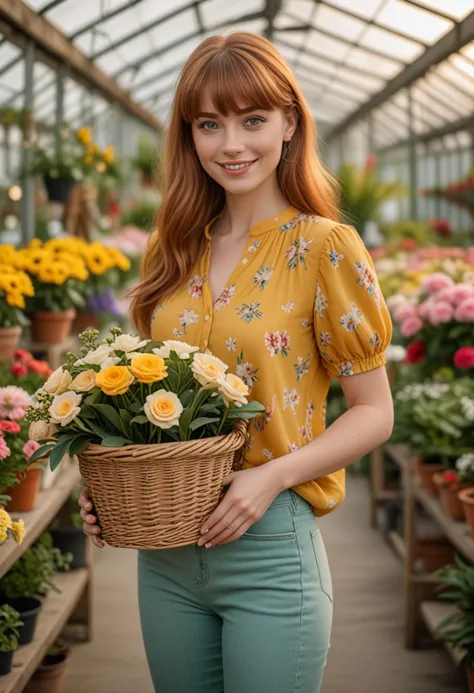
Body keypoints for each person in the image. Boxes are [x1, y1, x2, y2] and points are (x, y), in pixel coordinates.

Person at [79, 31, 393, 693]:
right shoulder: (173, 248)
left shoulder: (325, 247)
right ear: (188, 136)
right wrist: (112, 482)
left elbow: (375, 414)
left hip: (271, 546)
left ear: (289, 124)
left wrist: (272, 477)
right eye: (209, 124)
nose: (232, 145)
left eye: (252, 120)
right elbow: (150, 402)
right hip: (164, 553)